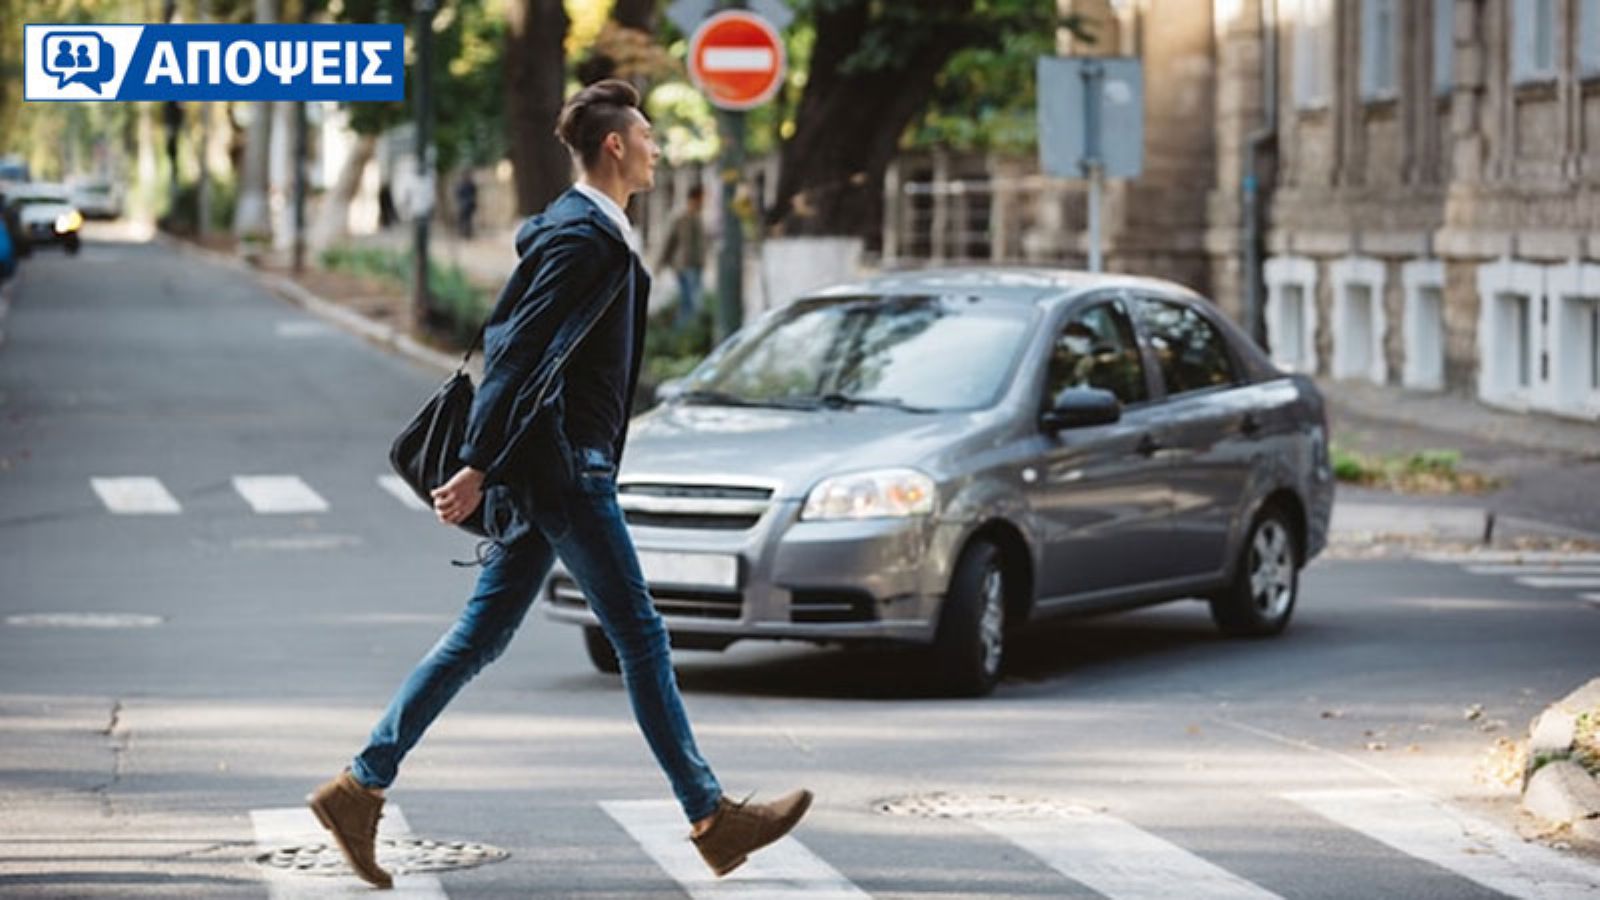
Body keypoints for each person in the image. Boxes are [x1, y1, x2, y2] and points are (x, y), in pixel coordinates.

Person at [306, 79, 812, 890]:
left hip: (556, 466)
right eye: (646, 133)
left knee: (481, 636)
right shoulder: (583, 237)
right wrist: (477, 462)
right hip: (566, 469)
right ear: (615, 145)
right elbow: (518, 352)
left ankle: (360, 786)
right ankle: (712, 817)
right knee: (641, 636)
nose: (655, 145)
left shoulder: (594, 230)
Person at [656, 184, 706, 329]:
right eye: (701, 200)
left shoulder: (698, 217)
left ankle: (689, 331)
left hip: (697, 265)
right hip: (684, 266)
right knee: (689, 301)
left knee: (693, 302)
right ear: (694, 199)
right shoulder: (680, 218)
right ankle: (682, 332)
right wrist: (660, 264)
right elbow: (669, 242)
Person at [454, 170, 478, 240]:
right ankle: (463, 232)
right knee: (463, 219)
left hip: (469, 205)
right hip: (463, 204)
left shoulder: (470, 184)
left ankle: (467, 233)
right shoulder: (461, 184)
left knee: (468, 219)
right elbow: (458, 194)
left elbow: (474, 194)